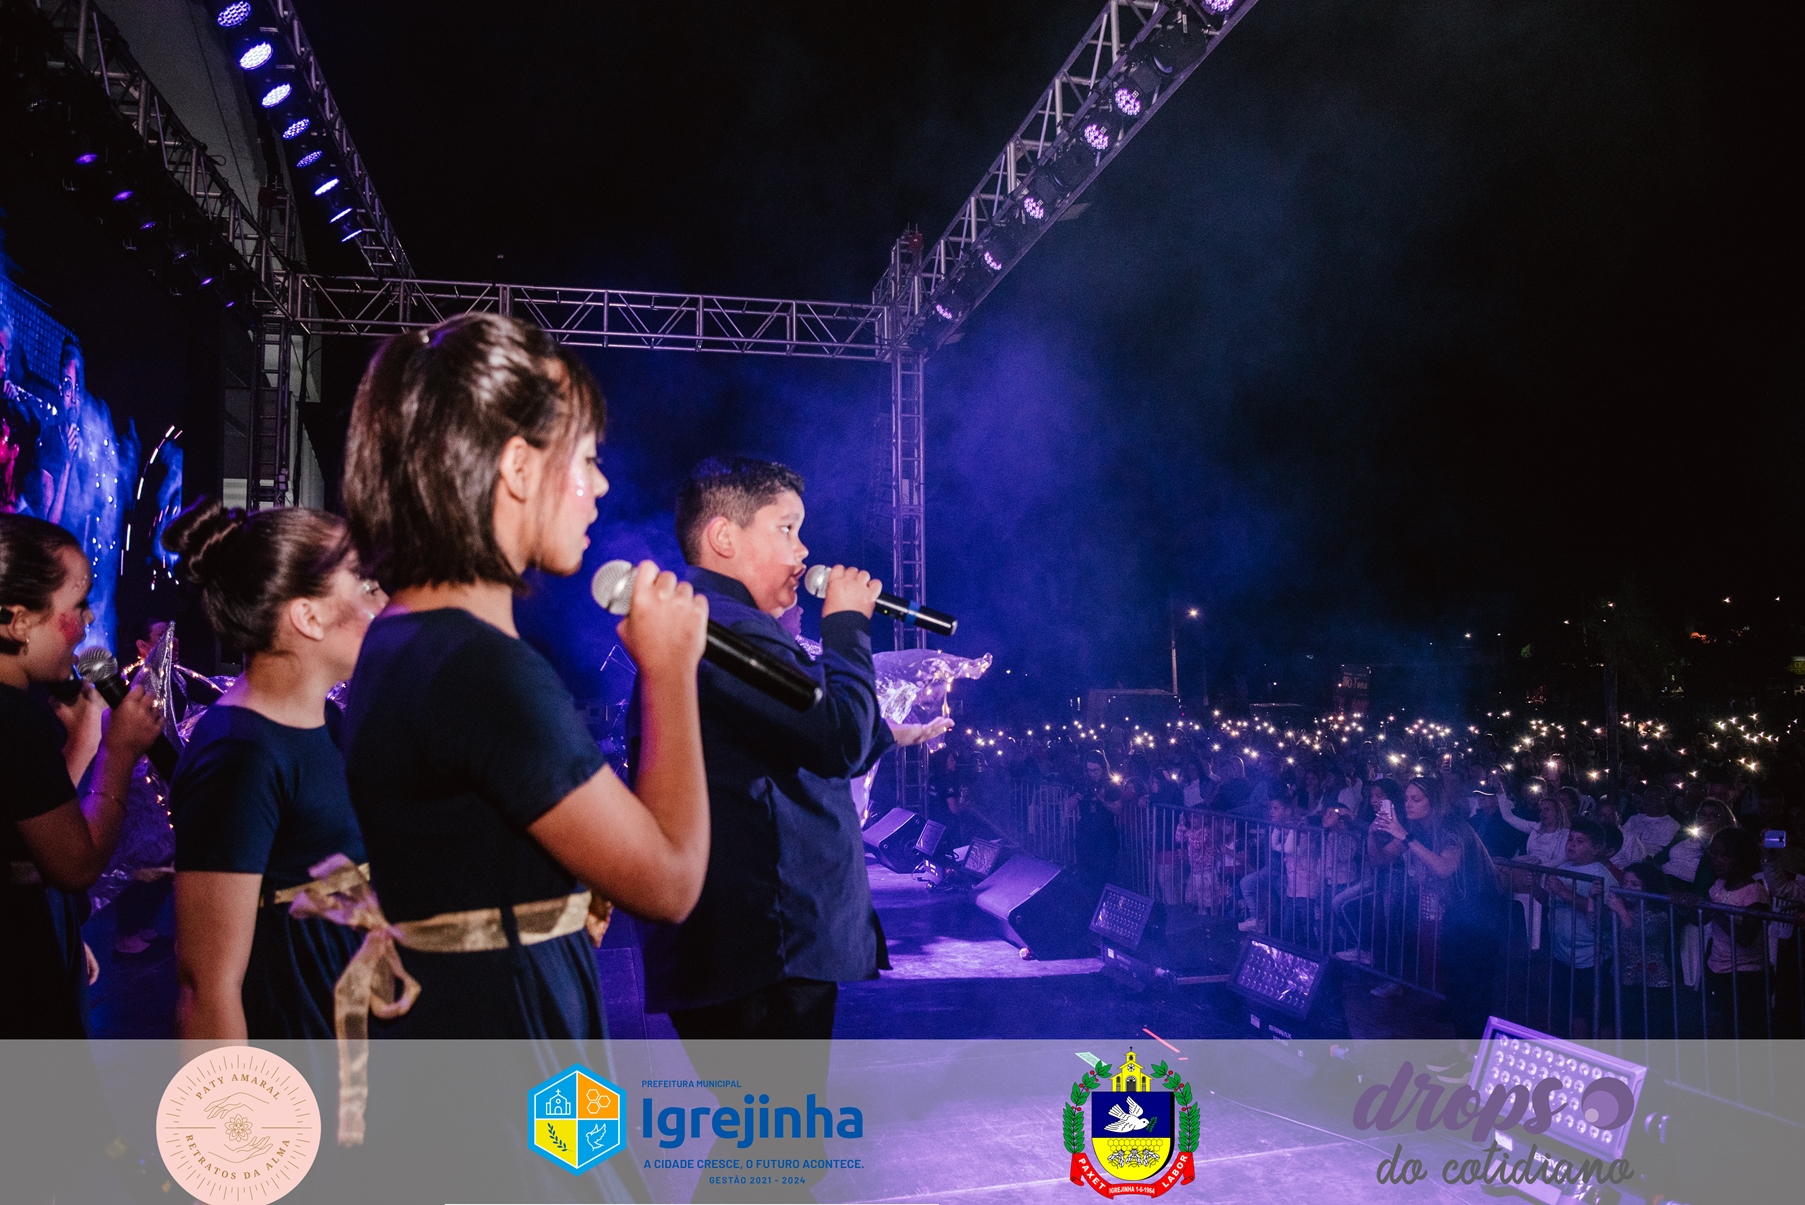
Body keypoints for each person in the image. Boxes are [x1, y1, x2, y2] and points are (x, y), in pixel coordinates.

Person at [338, 313, 711, 1041]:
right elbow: (671, 882)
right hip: (514, 1062)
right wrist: (670, 669)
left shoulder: (407, 634)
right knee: (583, 1135)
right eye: (587, 459)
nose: (600, 486)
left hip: (461, 1035)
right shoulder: (483, 669)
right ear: (517, 468)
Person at [631, 455, 941, 1039]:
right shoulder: (726, 628)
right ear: (724, 537)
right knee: (777, 1104)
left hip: (747, 947)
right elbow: (837, 737)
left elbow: (795, 733)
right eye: (786, 528)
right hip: (764, 947)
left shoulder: (712, 620)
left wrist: (891, 732)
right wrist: (846, 625)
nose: (803, 551)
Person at [164, 499, 385, 1039]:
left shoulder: (329, 721)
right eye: (364, 584)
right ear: (308, 617)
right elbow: (207, 988)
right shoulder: (240, 756)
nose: (382, 600)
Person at [1, 513, 162, 1036]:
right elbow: (75, 863)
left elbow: (33, 824)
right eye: (77, 604)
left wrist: (80, 745)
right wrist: (118, 753)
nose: (89, 618)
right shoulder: (16, 718)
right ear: (19, 621)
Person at [1368, 777, 1504, 1033]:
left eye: (1416, 799)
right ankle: (1464, 1043)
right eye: (1406, 799)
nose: (1408, 804)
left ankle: (1476, 1048)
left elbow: (1444, 868)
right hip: (1458, 908)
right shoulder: (1417, 829)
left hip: (1482, 908)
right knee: (1454, 977)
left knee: (1473, 984)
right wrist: (1371, 834)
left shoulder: (1452, 827)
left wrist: (1404, 836)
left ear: (1434, 802)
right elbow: (1380, 860)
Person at [1538, 819, 1612, 1039]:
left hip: (1591, 956)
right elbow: (1549, 901)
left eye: (1580, 841)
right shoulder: (1562, 869)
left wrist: (1563, 892)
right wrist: (1532, 887)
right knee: (1568, 1007)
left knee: (1592, 1011)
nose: (1572, 845)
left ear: (1596, 848)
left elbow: (1602, 912)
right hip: (1562, 953)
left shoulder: (1601, 876)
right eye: (1570, 839)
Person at [1702, 827, 1770, 1039]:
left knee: (1744, 1029)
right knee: (1720, 1025)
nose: (1718, 861)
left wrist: (1716, 911)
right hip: (1717, 965)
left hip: (1745, 972)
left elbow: (1746, 937)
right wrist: (1687, 902)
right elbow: (1701, 918)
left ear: (1741, 857)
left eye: (1725, 856)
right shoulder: (1718, 885)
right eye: (1714, 855)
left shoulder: (1754, 892)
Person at [1607, 860, 1675, 1040]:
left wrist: (1622, 912)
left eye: (1635, 884)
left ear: (1648, 887)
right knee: (1628, 1030)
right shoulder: (1620, 910)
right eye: (1625, 883)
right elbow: (1595, 925)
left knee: (1652, 1033)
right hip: (1626, 977)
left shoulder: (1659, 916)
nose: (1627, 888)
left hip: (1653, 981)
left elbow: (1640, 936)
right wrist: (1592, 900)